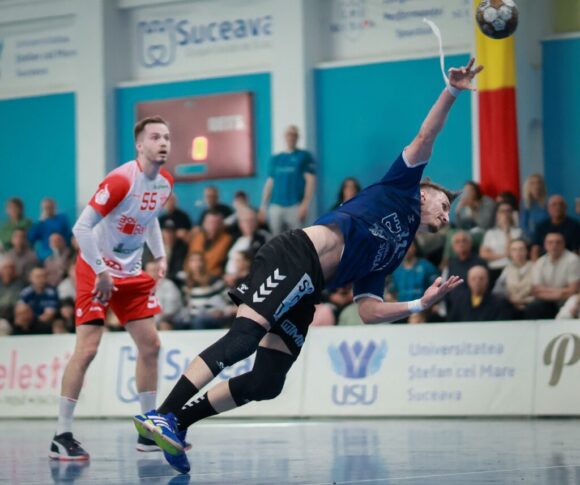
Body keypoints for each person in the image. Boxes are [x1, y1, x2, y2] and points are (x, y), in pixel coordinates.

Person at [133, 59, 482, 474]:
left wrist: (418, 305)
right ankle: (163, 414)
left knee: (267, 382)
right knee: (242, 340)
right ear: (425, 193)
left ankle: (178, 423)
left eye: (449, 214)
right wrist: (452, 91)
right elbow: (427, 135)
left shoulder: (396, 248)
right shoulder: (400, 185)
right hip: (295, 255)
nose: (446, 215)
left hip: (308, 290)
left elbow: (368, 310)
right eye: (445, 204)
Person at [49, 116, 174, 461]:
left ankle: (148, 431)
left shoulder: (165, 183)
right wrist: (102, 272)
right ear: (139, 145)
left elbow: (149, 219)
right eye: (155, 137)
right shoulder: (121, 180)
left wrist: (160, 254)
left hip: (130, 272)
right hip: (95, 269)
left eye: (166, 137)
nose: (163, 143)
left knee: (151, 346)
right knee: (87, 349)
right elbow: (81, 228)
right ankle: (61, 435)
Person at [258, 125, 316, 235]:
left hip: (295, 205)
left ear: (298, 137)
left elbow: (310, 181)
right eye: (289, 134)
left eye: (294, 134)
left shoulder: (305, 156)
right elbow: (270, 183)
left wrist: (305, 204)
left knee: (297, 238)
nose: (291, 137)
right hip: (275, 205)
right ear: (285, 137)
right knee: (276, 239)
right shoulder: (276, 158)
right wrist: (263, 205)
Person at [524, 232, 580, 319]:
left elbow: (573, 290)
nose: (554, 245)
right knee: (533, 307)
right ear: (545, 245)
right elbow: (536, 291)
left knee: (570, 307)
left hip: (566, 299)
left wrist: (546, 290)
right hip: (548, 300)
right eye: (550, 242)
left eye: (558, 242)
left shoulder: (573, 260)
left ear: (563, 244)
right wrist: (560, 292)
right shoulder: (540, 262)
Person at [447, 265, 513, 322]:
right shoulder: (459, 301)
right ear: (468, 281)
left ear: (487, 280)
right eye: (473, 279)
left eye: (481, 278)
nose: (477, 282)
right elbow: (451, 322)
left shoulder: (499, 302)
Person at [479, 202, 524, 285]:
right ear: (497, 214)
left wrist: (507, 231)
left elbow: (511, 253)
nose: (505, 214)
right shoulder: (490, 233)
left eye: (508, 211)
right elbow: (484, 254)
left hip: (512, 269)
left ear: (512, 214)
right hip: (494, 270)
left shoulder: (518, 232)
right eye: (502, 211)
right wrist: (504, 255)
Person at [492, 239, 534, 318]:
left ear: (526, 251)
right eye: (514, 250)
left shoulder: (536, 267)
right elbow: (497, 290)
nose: (518, 253)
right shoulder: (507, 269)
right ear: (510, 253)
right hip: (511, 304)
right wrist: (509, 298)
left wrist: (521, 300)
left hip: (530, 304)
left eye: (521, 249)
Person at [530, 195, 580, 260]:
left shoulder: (575, 226)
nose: (558, 207)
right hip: (546, 260)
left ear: (565, 208)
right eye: (554, 205)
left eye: (561, 205)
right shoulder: (541, 226)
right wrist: (535, 264)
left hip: (568, 261)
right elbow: (535, 249)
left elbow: (576, 250)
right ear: (548, 208)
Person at [188, 210, 233, 277]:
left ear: (222, 225)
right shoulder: (196, 238)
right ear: (204, 224)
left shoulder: (228, 240)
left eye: (216, 223)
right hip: (192, 276)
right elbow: (188, 259)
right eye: (210, 222)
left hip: (214, 277)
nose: (213, 226)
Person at [519, 173, 548, 240]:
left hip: (545, 236)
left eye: (539, 183)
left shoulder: (548, 202)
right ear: (528, 186)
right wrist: (533, 237)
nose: (536, 186)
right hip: (530, 237)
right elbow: (523, 224)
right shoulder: (524, 203)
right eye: (532, 183)